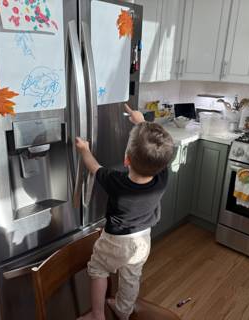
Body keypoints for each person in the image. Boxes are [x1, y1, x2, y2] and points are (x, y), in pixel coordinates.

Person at [76, 104, 174, 320]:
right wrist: (140, 121)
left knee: (99, 269)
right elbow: (157, 150)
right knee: (131, 277)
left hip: (115, 240)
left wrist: (84, 149)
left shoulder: (116, 181)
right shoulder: (162, 176)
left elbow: (93, 166)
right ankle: (123, 309)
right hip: (142, 240)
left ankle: (97, 315)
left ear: (126, 159)